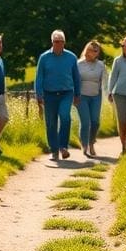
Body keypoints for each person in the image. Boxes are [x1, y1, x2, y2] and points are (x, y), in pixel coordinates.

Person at [35, 29, 81, 161]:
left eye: (61, 42)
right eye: (56, 42)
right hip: (49, 94)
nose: (58, 44)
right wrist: (39, 94)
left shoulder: (71, 57)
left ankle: (63, 146)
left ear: (64, 42)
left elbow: (76, 77)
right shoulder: (44, 58)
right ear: (52, 42)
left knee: (65, 116)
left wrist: (77, 94)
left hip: (67, 92)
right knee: (51, 122)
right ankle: (54, 150)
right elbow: (39, 77)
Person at [76, 40, 106, 158]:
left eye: (97, 51)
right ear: (87, 51)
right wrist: (74, 95)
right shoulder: (78, 64)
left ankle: (91, 142)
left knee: (95, 122)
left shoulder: (100, 65)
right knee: (85, 122)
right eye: (93, 50)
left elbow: (104, 80)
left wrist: (109, 93)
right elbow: (74, 80)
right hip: (82, 96)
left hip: (96, 96)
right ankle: (85, 146)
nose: (95, 53)